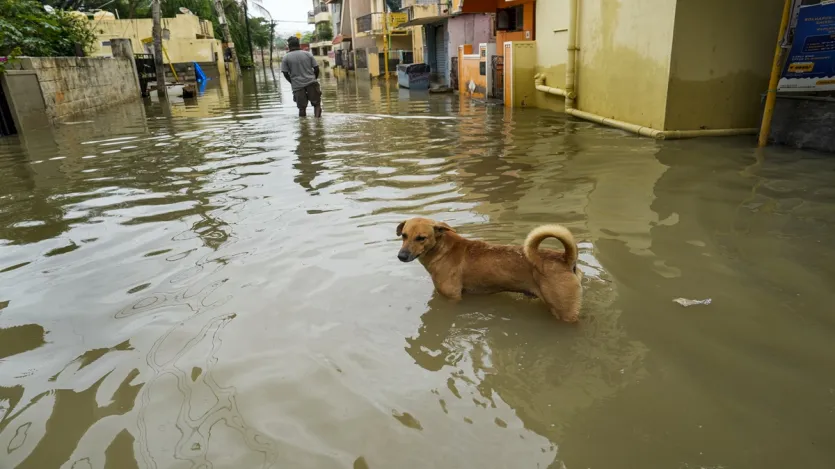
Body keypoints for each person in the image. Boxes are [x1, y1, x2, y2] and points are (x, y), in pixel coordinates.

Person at [281, 37, 322, 118]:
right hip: (311, 82)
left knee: (302, 108)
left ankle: (304, 128)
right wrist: (314, 79)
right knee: (317, 105)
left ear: (289, 46)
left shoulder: (286, 57)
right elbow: (316, 68)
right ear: (298, 45)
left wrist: (292, 82)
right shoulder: (308, 54)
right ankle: (318, 124)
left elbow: (285, 73)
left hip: (297, 86)